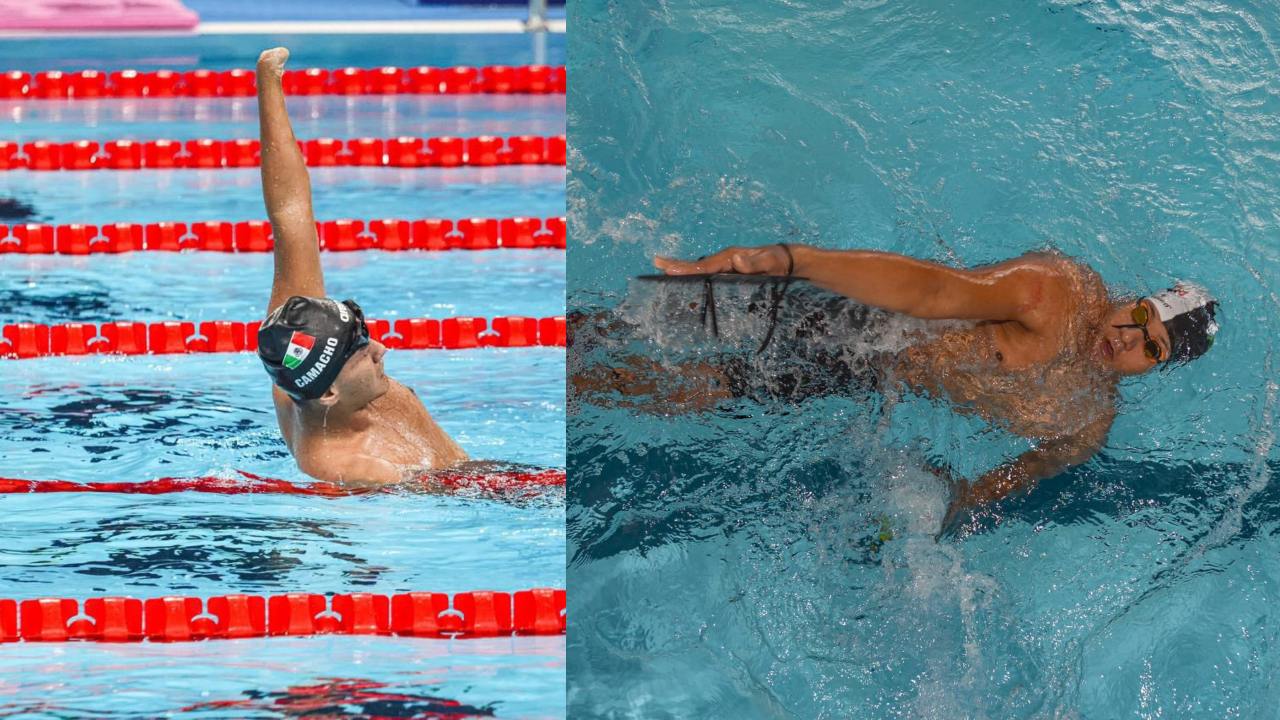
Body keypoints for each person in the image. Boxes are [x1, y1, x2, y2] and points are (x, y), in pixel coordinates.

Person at [643, 243, 1219, 532]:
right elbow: (934, 293)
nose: (1128, 340)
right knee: (653, 322)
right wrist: (791, 260)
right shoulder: (1055, 293)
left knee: (694, 389)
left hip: (867, 374)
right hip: (859, 324)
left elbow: (1014, 478)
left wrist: (947, 510)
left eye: (1154, 349)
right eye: (1140, 316)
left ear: (1156, 370)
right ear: (1133, 298)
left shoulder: (1085, 422)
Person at [252, 47, 468, 486]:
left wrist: (268, 84)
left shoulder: (297, 352)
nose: (381, 350)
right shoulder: (353, 472)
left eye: (365, 336)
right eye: (362, 353)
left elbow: (291, 214)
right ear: (329, 391)